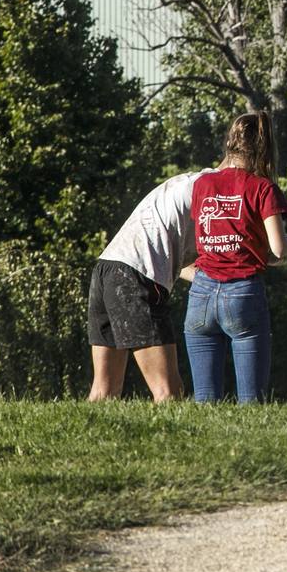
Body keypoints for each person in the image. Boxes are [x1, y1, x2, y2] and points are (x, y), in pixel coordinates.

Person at [185, 111, 287, 403]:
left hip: (200, 293)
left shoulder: (202, 185)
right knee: (252, 401)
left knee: (205, 400)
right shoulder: (262, 188)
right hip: (242, 293)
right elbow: (276, 249)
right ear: (265, 147)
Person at [87, 168, 204, 401]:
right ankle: (175, 439)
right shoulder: (215, 193)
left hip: (107, 266)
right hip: (133, 277)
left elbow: (175, 263)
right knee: (169, 392)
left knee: (103, 391)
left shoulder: (185, 184)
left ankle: (80, 437)